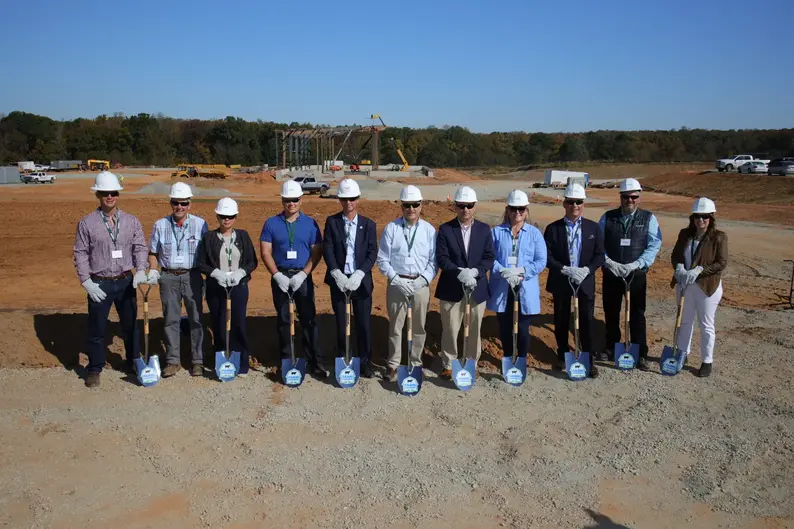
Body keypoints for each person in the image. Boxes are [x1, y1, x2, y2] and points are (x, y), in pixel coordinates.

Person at [73, 171, 148, 388]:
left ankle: (133, 361)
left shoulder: (131, 221)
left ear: (118, 194)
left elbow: (140, 247)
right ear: (97, 194)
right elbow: (80, 253)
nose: (109, 196)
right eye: (105, 192)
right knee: (97, 329)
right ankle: (95, 368)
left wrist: (141, 269)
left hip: (125, 281)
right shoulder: (86, 223)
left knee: (130, 326)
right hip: (100, 282)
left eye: (113, 192)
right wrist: (86, 281)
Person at [260, 180, 329, 378]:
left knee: (308, 319)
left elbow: (316, 252)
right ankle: (286, 360)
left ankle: (315, 361)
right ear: (282, 200)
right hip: (280, 275)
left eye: (295, 200)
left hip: (302, 277)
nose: (292, 203)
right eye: (288, 200)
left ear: (301, 200)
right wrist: (276, 275)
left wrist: (304, 274)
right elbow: (265, 252)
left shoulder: (310, 223)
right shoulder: (271, 223)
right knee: (283, 320)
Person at [598, 178, 662, 371]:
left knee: (637, 313)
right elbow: (599, 244)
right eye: (626, 197)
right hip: (612, 273)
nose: (630, 200)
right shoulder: (607, 217)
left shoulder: (649, 219)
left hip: (636, 275)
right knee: (611, 311)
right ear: (621, 197)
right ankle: (611, 346)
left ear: (639, 197)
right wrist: (609, 262)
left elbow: (654, 244)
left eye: (634, 197)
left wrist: (638, 264)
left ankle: (639, 351)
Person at [146, 182, 208, 378]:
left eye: (183, 203)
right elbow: (153, 252)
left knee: (196, 318)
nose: (179, 207)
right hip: (168, 276)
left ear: (190, 204)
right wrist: (153, 270)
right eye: (175, 203)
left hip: (192, 276)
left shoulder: (200, 224)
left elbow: (207, 252)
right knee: (170, 319)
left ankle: (197, 361)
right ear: (170, 203)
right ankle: (173, 361)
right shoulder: (160, 225)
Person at [376, 185, 437, 382]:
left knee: (418, 326)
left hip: (420, 284)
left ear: (421, 205)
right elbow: (383, 259)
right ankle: (393, 364)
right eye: (407, 205)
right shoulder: (392, 228)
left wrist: (423, 280)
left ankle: (415, 362)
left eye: (415, 205)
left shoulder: (428, 230)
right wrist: (395, 279)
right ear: (401, 206)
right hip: (397, 284)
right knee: (396, 326)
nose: (411, 209)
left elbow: (434, 261)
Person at [544, 183, 605, 377]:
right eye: (571, 202)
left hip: (584, 281)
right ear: (564, 204)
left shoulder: (593, 228)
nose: (575, 205)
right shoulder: (553, 229)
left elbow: (600, 255)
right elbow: (547, 256)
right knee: (561, 319)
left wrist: (587, 269)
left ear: (583, 203)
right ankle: (563, 354)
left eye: (578, 202)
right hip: (562, 280)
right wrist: (564, 269)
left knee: (586, 319)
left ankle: (588, 358)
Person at [435, 186, 495, 379]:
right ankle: (449, 364)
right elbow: (442, 258)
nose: (465, 210)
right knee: (451, 329)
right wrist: (459, 272)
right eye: (461, 206)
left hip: (477, 289)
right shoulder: (445, 229)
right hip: (452, 288)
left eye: (469, 205)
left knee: (474, 328)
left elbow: (489, 257)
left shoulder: (485, 230)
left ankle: (471, 362)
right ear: (455, 207)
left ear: (474, 206)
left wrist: (476, 272)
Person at [197, 198, 259, 377]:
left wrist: (241, 272)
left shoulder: (243, 236)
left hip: (238, 286)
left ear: (235, 217)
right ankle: (222, 360)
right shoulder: (209, 238)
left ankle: (240, 362)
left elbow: (252, 261)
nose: (226, 220)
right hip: (216, 286)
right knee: (219, 323)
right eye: (223, 216)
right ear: (217, 216)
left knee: (238, 322)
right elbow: (201, 263)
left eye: (230, 216)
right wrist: (215, 273)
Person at [323, 179, 378, 378]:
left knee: (363, 324)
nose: (349, 203)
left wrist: (361, 272)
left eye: (352, 199)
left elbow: (372, 252)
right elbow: (328, 249)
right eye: (345, 199)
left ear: (358, 199)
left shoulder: (368, 225)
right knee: (341, 322)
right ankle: (344, 358)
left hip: (360, 281)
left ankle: (364, 362)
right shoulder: (332, 222)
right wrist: (335, 272)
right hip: (339, 281)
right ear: (339, 199)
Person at [487, 190, 547, 364]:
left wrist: (522, 271)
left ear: (526, 211)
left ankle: (521, 358)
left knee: (522, 328)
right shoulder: (496, 232)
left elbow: (541, 260)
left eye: (521, 209)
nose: (517, 213)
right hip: (502, 287)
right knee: (505, 327)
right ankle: (507, 357)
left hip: (524, 287)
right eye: (513, 209)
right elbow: (489, 257)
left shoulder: (534, 234)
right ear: (507, 210)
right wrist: (504, 271)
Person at [670, 197, 727, 378]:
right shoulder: (685, 234)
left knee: (706, 325)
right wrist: (678, 266)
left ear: (711, 218)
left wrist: (700, 270)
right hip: (685, 285)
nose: (700, 220)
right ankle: (682, 354)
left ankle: (707, 361)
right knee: (684, 322)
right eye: (697, 216)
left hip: (706, 287)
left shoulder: (718, 237)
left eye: (704, 217)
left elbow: (722, 263)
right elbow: (676, 254)